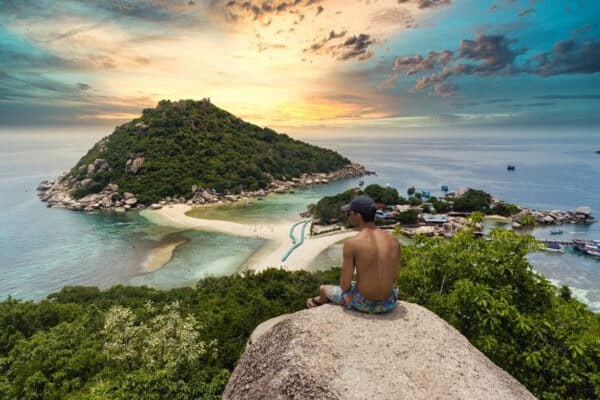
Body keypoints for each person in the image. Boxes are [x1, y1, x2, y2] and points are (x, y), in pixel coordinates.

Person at [307, 194, 401, 314]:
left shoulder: (352, 243)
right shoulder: (394, 240)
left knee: (323, 288)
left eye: (349, 213)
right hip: (389, 302)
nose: (348, 216)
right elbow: (393, 278)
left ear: (359, 215)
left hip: (363, 303)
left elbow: (344, 285)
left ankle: (318, 301)